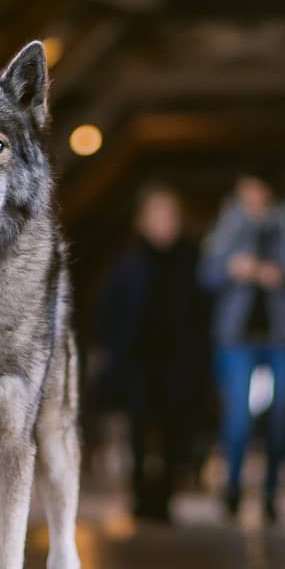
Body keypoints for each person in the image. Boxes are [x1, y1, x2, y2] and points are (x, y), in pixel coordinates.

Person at [200, 174, 285, 521]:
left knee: (281, 416)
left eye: (258, 190)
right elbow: (206, 274)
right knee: (238, 417)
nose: (252, 199)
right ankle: (232, 487)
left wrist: (284, 273)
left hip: (282, 335)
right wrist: (233, 269)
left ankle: (272, 492)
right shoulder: (227, 225)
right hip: (236, 336)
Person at [95, 184, 210, 521]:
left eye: (169, 216)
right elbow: (108, 310)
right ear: (142, 221)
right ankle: (140, 493)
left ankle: (166, 495)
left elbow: (204, 312)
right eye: (156, 216)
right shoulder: (126, 261)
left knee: (175, 429)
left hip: (179, 361)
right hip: (137, 360)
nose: (163, 223)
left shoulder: (193, 261)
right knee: (139, 431)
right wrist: (111, 350)